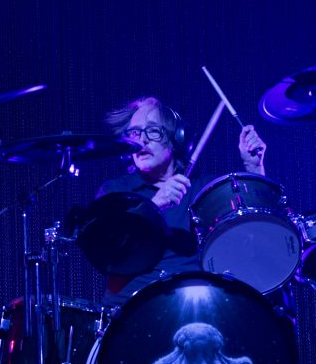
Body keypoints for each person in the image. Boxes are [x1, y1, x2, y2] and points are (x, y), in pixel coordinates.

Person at [89, 95, 268, 307]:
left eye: (152, 131)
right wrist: (153, 206)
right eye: (135, 133)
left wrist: (254, 167)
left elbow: (255, 231)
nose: (141, 140)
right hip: (130, 308)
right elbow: (107, 252)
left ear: (176, 138)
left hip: (192, 307)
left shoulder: (205, 188)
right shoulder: (114, 191)